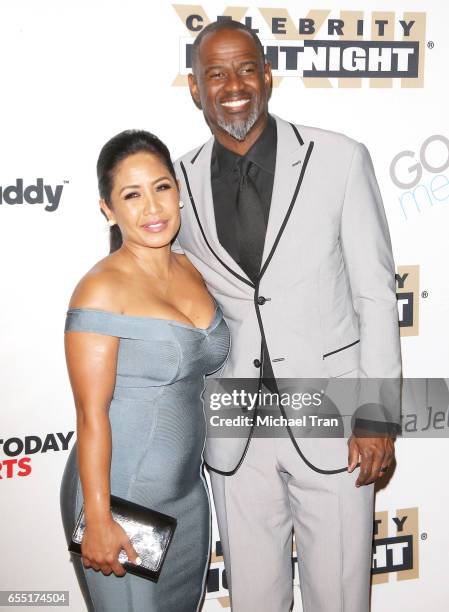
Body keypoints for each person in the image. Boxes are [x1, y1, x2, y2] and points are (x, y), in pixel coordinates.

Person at [172, 20, 402, 612]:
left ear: (267, 75)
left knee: (342, 594)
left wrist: (377, 414)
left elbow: (375, 295)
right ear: (195, 89)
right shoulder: (177, 182)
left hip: (335, 420)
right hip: (234, 429)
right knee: (253, 597)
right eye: (214, 74)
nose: (233, 86)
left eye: (246, 68)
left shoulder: (341, 159)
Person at [59, 129, 230, 612]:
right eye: (131, 195)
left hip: (188, 496)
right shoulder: (100, 290)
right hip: (119, 499)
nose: (152, 208)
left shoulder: (194, 269)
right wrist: (97, 517)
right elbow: (92, 416)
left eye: (161, 187)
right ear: (108, 209)